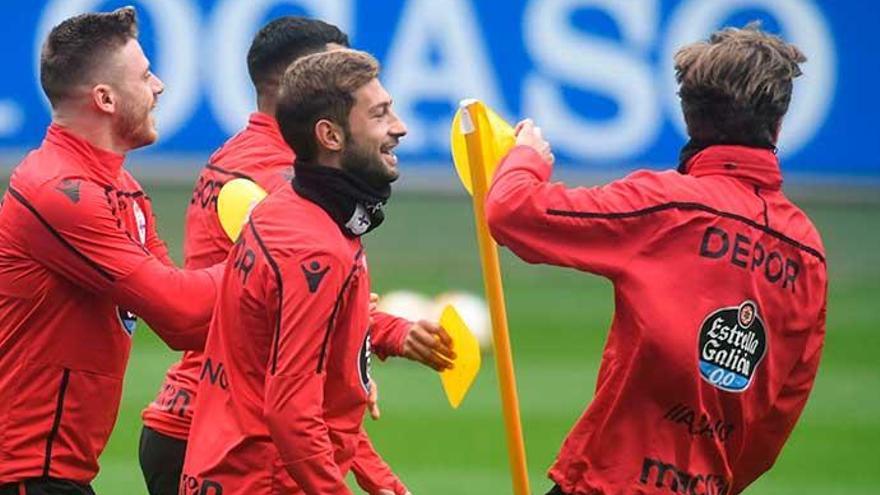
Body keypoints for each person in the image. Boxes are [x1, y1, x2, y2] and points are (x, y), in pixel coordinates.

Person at [485, 24, 827, 495]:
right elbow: (780, 412)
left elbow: (511, 211)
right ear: (779, 123)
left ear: (689, 117)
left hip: (609, 482)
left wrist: (526, 157)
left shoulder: (665, 204)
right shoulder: (807, 251)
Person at [140, 17, 447, 495]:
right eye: (380, 112)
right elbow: (291, 387)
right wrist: (379, 338)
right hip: (242, 440)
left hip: (213, 423)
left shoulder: (280, 187)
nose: (399, 127)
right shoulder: (285, 192)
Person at [0, 7, 221, 495]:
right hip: (23, 473)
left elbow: (187, 323)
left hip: (57, 472)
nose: (160, 85)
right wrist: (266, 252)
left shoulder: (121, 188)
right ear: (104, 98)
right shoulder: (58, 192)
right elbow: (184, 310)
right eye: (144, 76)